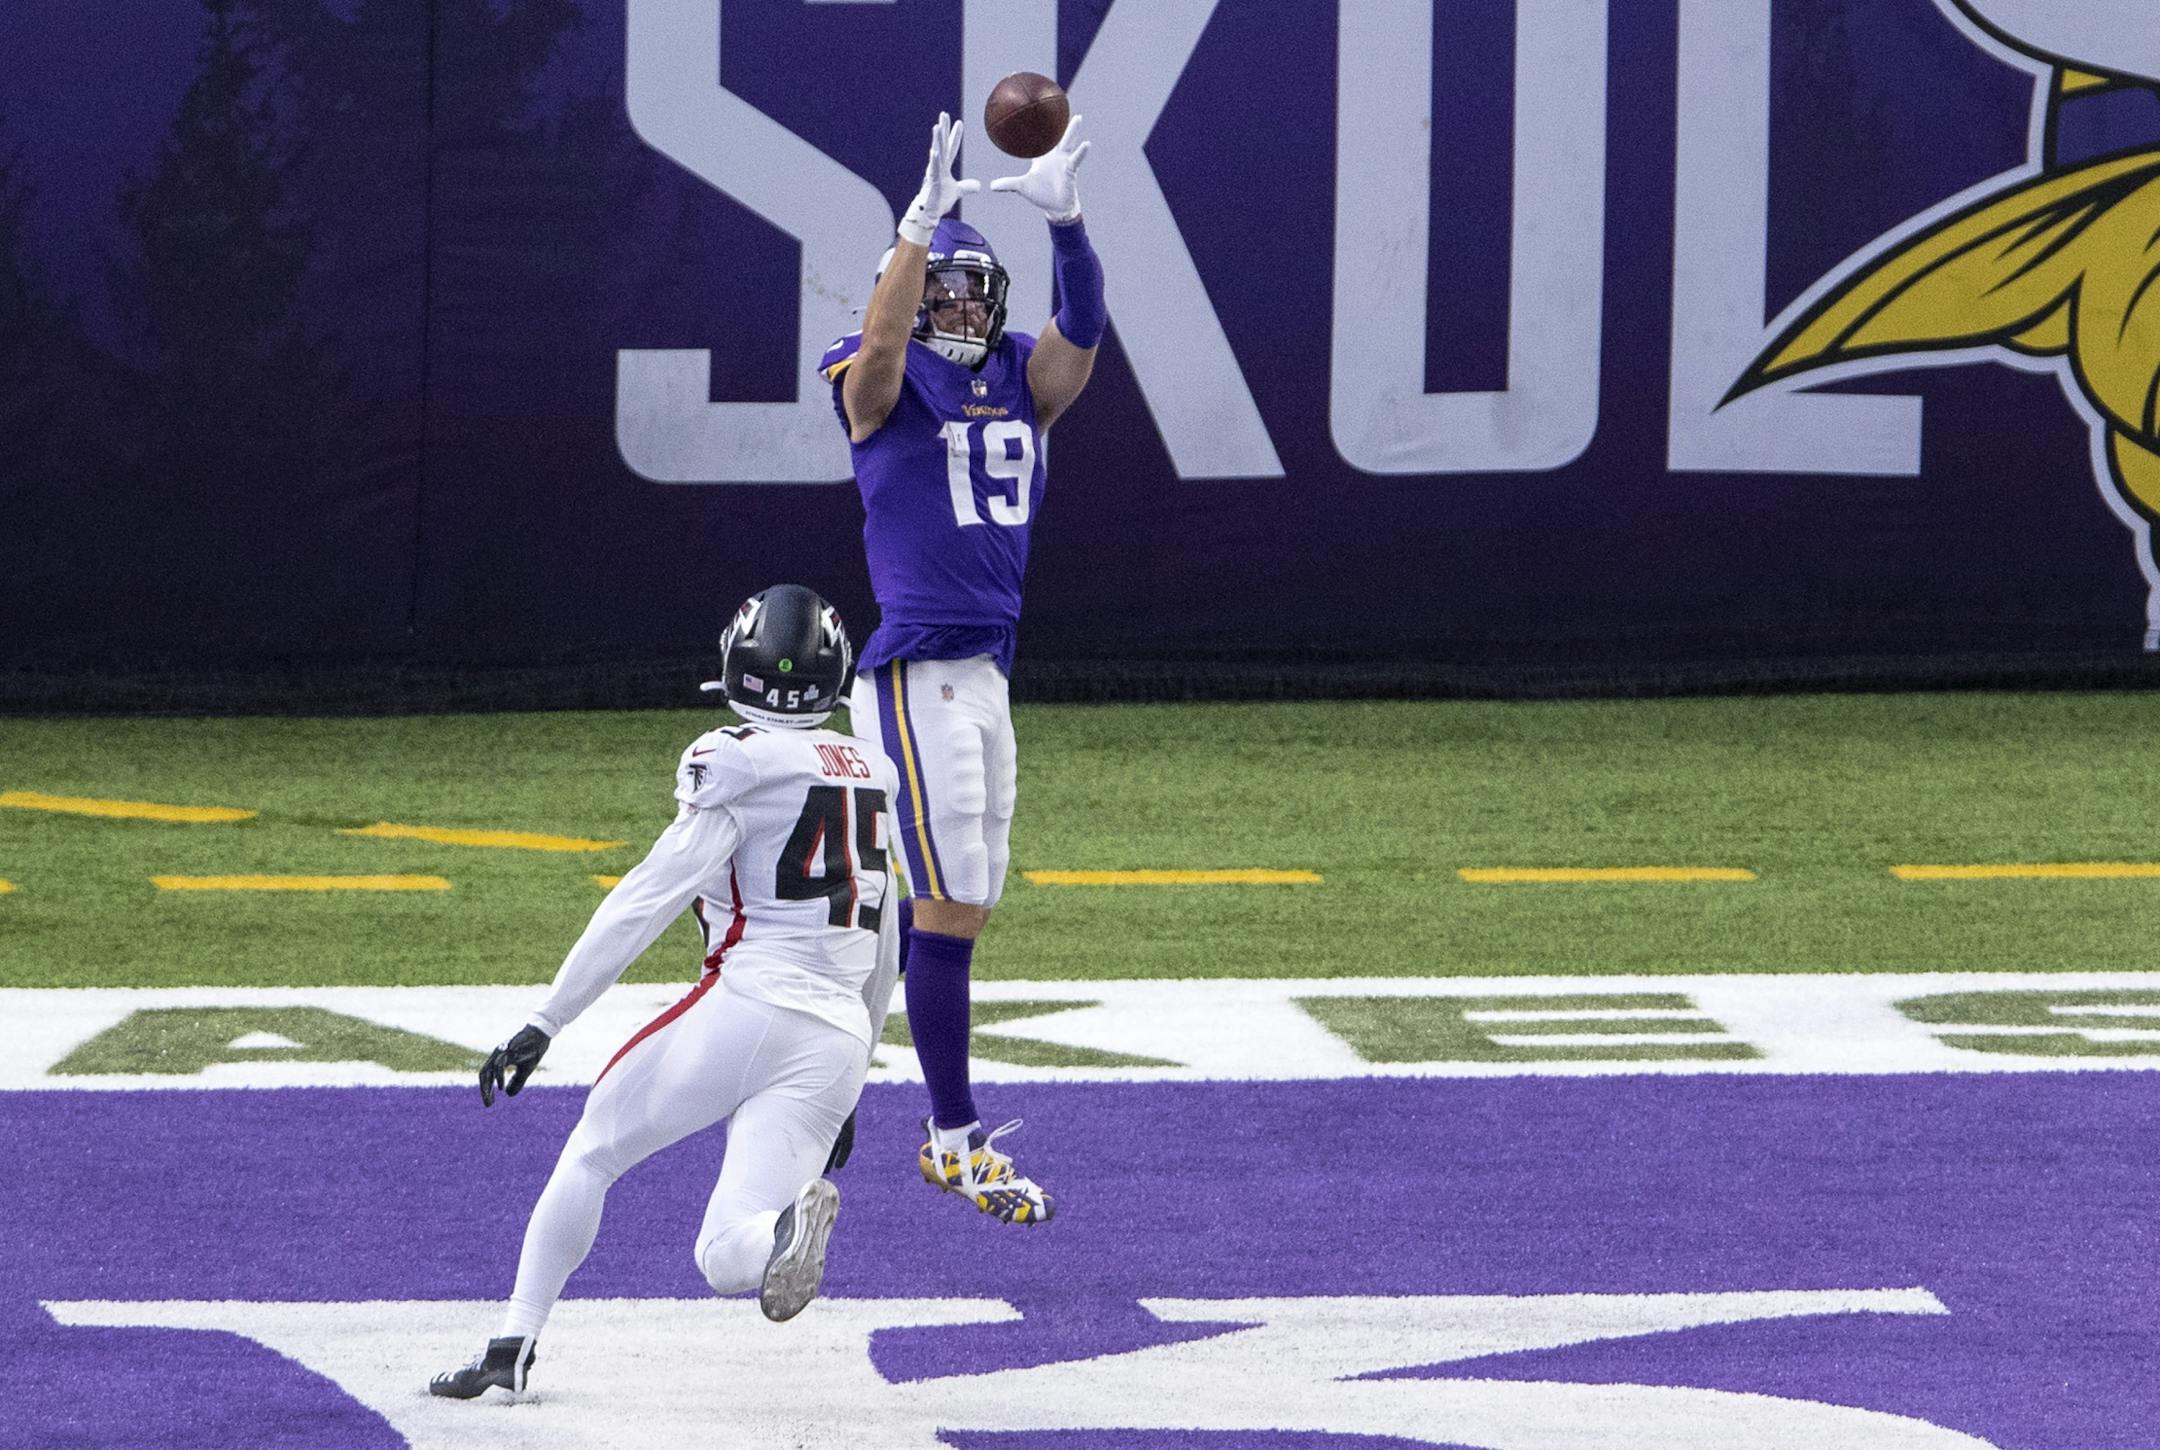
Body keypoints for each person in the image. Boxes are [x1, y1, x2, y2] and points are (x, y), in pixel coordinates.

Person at [429, 584, 901, 1399]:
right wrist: (854, 1072)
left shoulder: (735, 759)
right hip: (836, 1034)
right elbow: (887, 939)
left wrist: (547, 1018)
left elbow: (646, 897)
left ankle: (512, 1344)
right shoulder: (873, 770)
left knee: (593, 1149)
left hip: (750, 1001)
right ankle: (781, 1235)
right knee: (725, 1253)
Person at [817, 110, 1104, 1226]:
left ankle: (833, 1085)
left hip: (985, 671)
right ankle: (953, 1141)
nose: (963, 307)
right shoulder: (877, 380)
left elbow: (1082, 335)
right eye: (943, 290)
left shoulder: (1021, 374)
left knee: (957, 905)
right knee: (943, 902)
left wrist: (1069, 226)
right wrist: (915, 228)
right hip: (913, 670)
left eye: (973, 291)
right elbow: (879, 359)